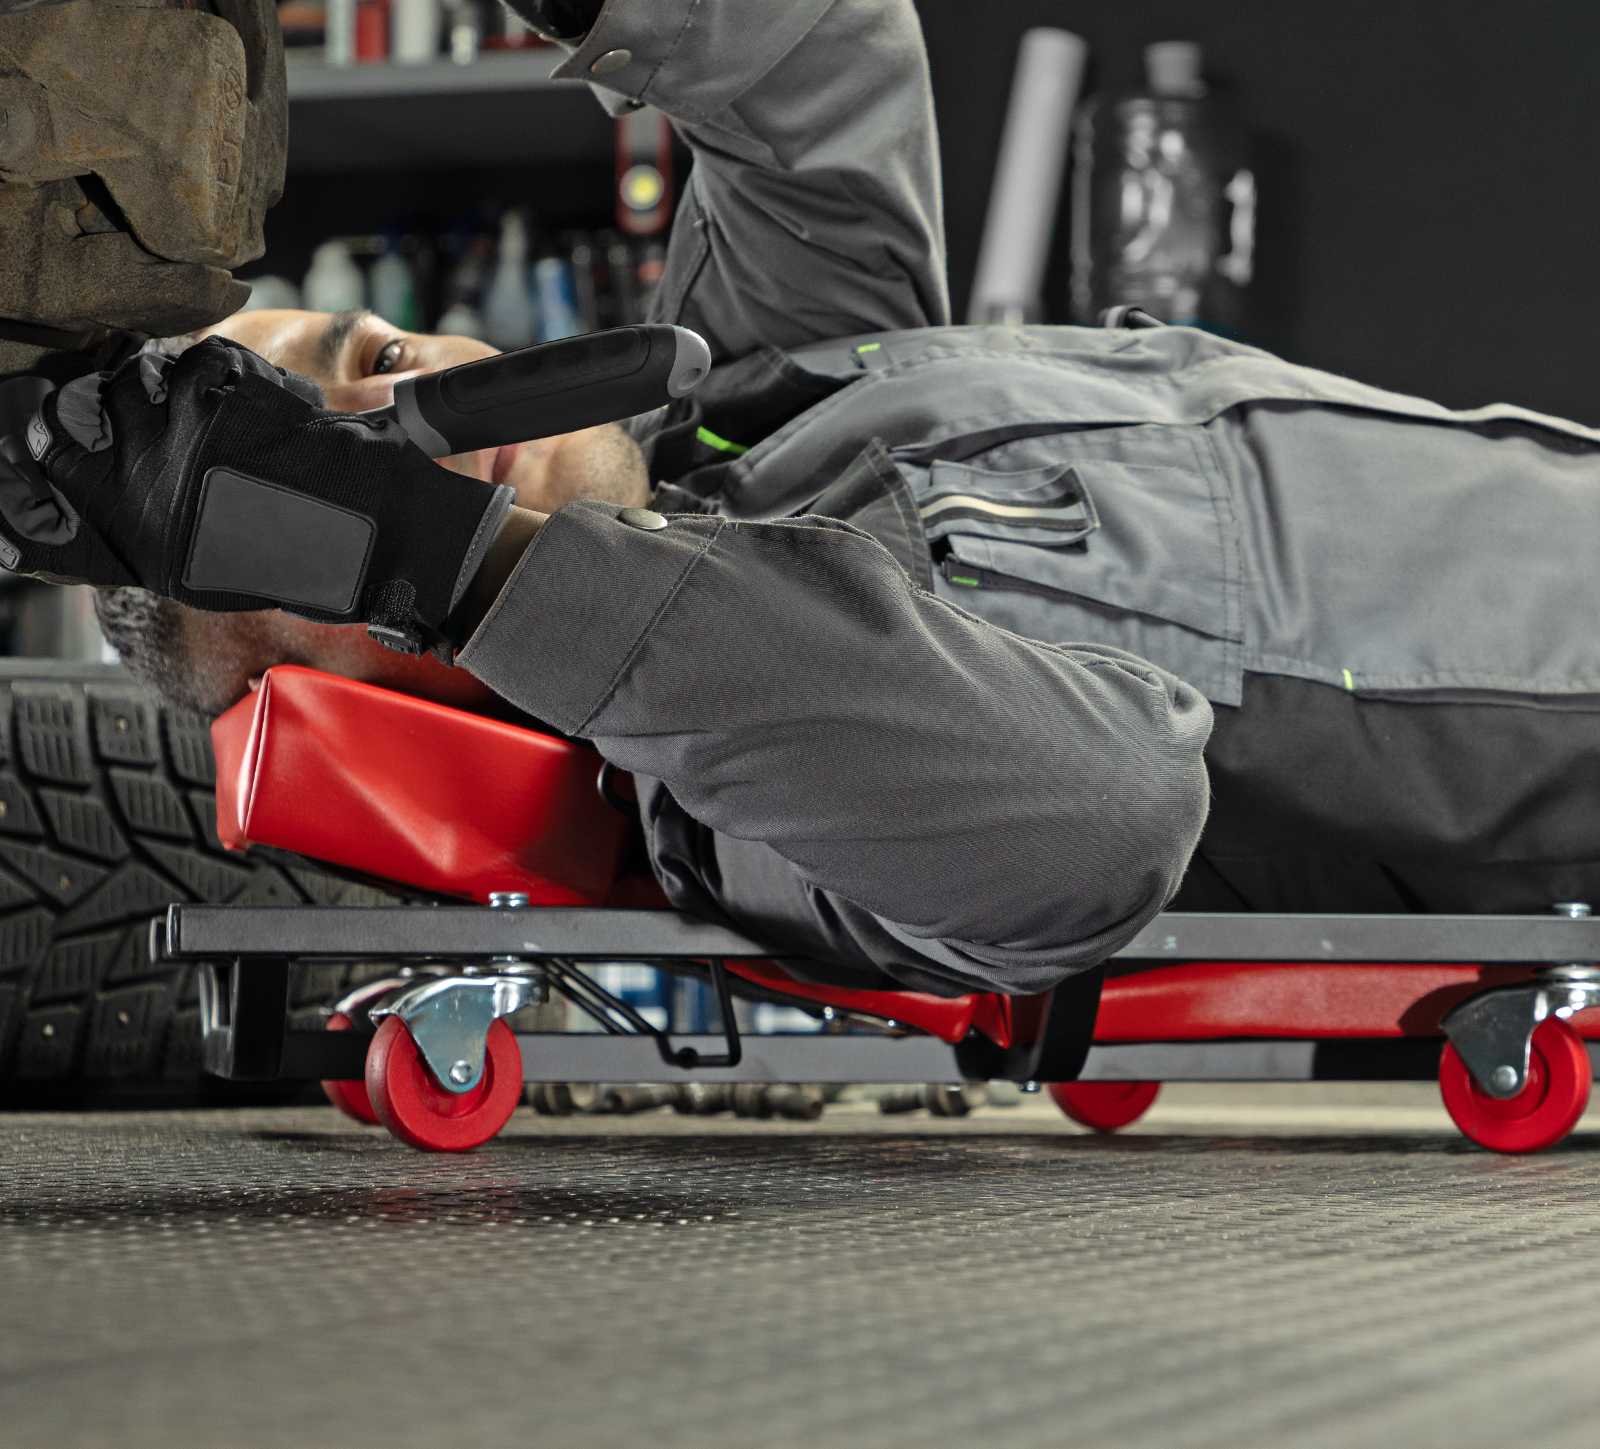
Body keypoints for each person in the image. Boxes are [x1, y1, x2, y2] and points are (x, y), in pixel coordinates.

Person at [6, 0, 1600, 1004]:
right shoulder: (758, 812)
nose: (396, 422)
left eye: (373, 360)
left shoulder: (753, 401)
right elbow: (1098, 823)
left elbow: (822, 62)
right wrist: (451, 560)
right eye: (314, 487)